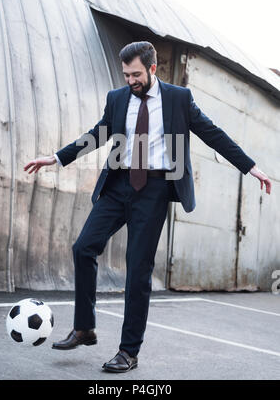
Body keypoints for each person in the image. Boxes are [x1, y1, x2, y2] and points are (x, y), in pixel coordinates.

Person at [24, 41, 271, 373]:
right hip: (117, 185)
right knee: (83, 248)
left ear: (153, 68)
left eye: (136, 74)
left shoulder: (178, 99)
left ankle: (128, 351)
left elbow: (213, 134)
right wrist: (56, 157)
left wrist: (249, 166)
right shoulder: (117, 98)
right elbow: (97, 134)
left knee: (137, 268)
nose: (130, 80)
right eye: (126, 74)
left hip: (153, 189)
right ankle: (84, 328)